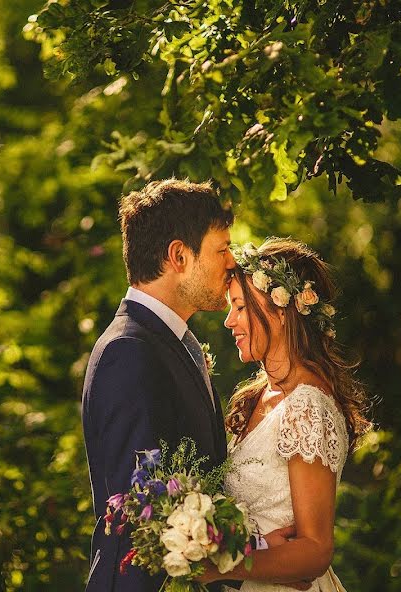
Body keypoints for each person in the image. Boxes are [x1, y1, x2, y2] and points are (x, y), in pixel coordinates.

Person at [82, 180, 305, 592]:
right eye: (221, 250)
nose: (231, 264)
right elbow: (145, 512)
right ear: (179, 256)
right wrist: (251, 549)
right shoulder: (129, 352)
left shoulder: (167, 342)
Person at [197, 238, 371, 592]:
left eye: (241, 307)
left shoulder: (307, 407)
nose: (229, 321)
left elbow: (315, 552)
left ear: (281, 311)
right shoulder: (262, 394)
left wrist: (218, 567)